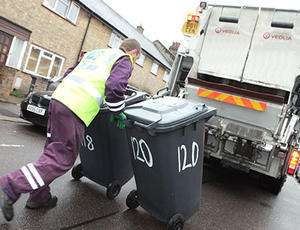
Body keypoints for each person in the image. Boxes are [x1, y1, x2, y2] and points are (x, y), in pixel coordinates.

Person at [0, 38, 141, 221]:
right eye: (137, 59)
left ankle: (39, 196)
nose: (135, 62)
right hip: (75, 108)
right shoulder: (124, 60)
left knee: (51, 152)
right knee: (62, 159)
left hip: (59, 100)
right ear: (134, 53)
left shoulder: (94, 54)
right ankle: (11, 185)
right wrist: (118, 111)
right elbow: (114, 88)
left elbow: (68, 74)